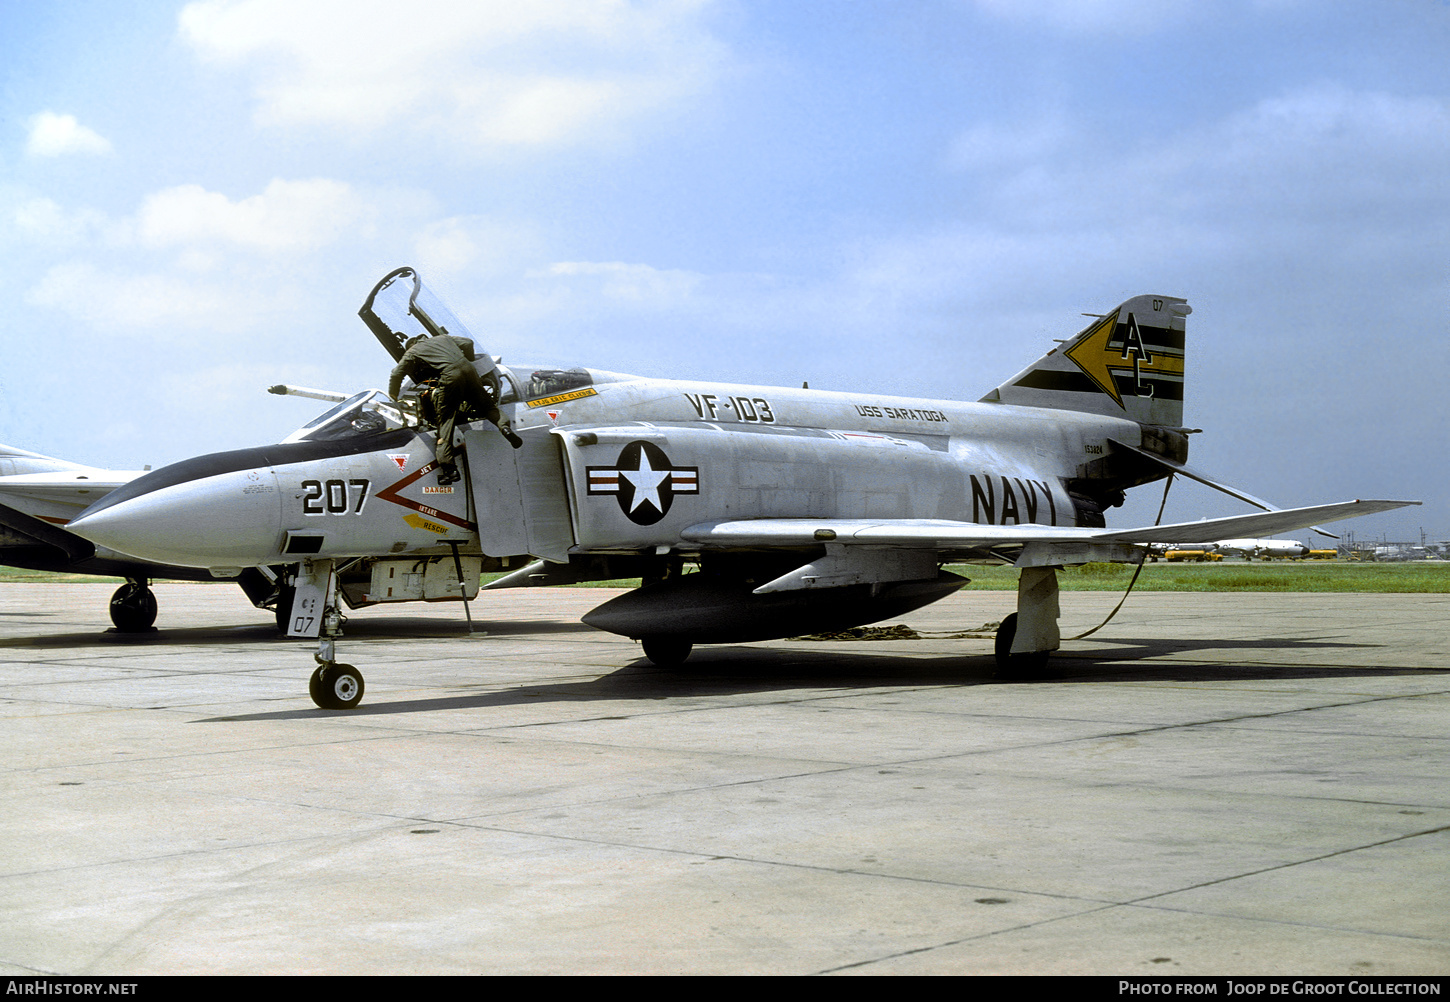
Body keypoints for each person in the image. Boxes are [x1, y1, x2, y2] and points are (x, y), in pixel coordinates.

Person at [388, 334, 523, 485]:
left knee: (446, 421)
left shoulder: (412, 352)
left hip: (450, 376)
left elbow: (396, 374)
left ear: (411, 345)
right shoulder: (442, 338)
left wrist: (393, 395)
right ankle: (505, 429)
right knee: (488, 407)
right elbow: (468, 342)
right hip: (470, 370)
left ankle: (449, 470)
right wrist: (471, 360)